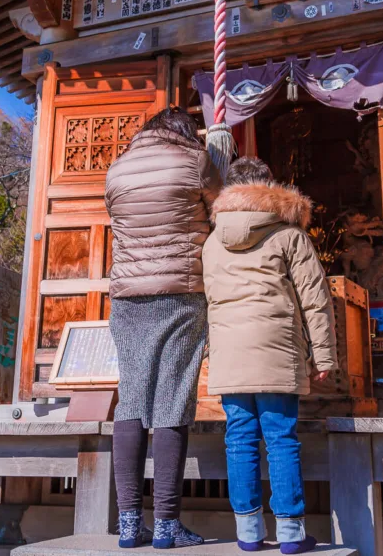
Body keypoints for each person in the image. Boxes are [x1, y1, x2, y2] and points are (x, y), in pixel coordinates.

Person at [202, 157, 337, 554]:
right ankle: (292, 534)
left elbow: (210, 300)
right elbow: (316, 300)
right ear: (268, 188)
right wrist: (325, 356)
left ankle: (247, 532)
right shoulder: (288, 235)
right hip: (277, 349)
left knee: (239, 439)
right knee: (280, 439)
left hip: (230, 354)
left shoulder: (212, 242)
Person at [105, 106, 222, 549]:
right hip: (181, 293)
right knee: (173, 401)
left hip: (128, 297)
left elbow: (119, 225)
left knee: (132, 401)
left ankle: (130, 523)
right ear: (185, 133)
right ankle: (168, 523)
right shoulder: (195, 161)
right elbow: (221, 213)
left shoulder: (117, 169)